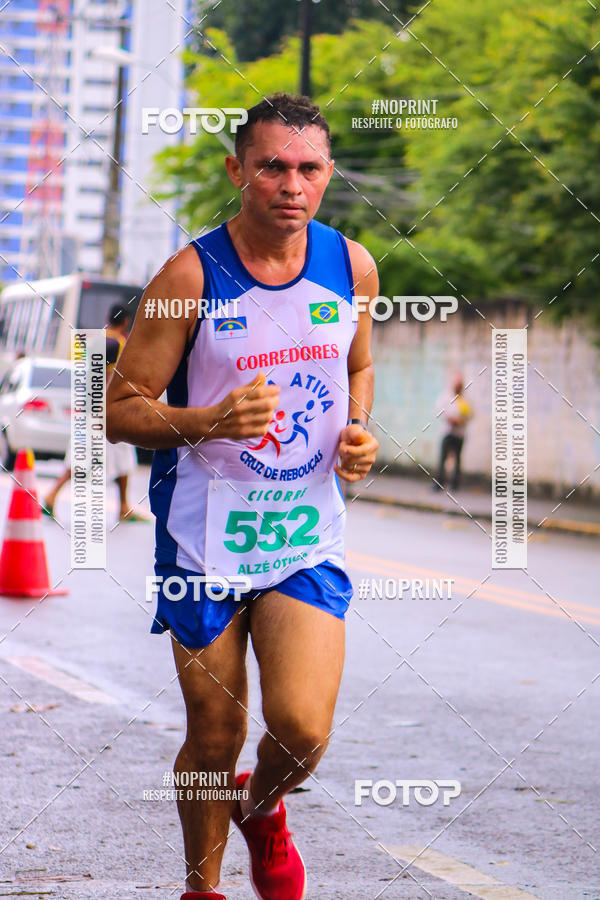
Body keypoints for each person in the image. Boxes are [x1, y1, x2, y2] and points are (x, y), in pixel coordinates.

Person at [106, 92, 379, 900]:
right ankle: (204, 888)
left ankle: (263, 810)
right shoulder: (190, 273)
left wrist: (358, 430)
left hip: (302, 537)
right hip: (204, 541)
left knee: (301, 728)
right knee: (217, 730)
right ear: (238, 172)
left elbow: (357, 365)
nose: (290, 185)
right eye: (271, 167)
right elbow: (120, 409)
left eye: (307, 168)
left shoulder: (352, 264)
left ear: (327, 175)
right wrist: (210, 419)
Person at [43, 303, 147, 523]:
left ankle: (123, 506)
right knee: (115, 454)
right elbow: (110, 379)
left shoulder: (92, 339)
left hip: (88, 406)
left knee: (111, 455)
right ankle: (52, 495)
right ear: (126, 322)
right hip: (105, 410)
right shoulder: (118, 344)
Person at [434, 373, 473, 492]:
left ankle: (454, 484)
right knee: (443, 459)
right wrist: (451, 419)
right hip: (447, 432)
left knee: (457, 460)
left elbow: (470, 415)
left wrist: (462, 420)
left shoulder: (464, 400)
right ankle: (438, 484)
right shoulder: (446, 398)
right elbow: (439, 411)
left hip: (459, 434)